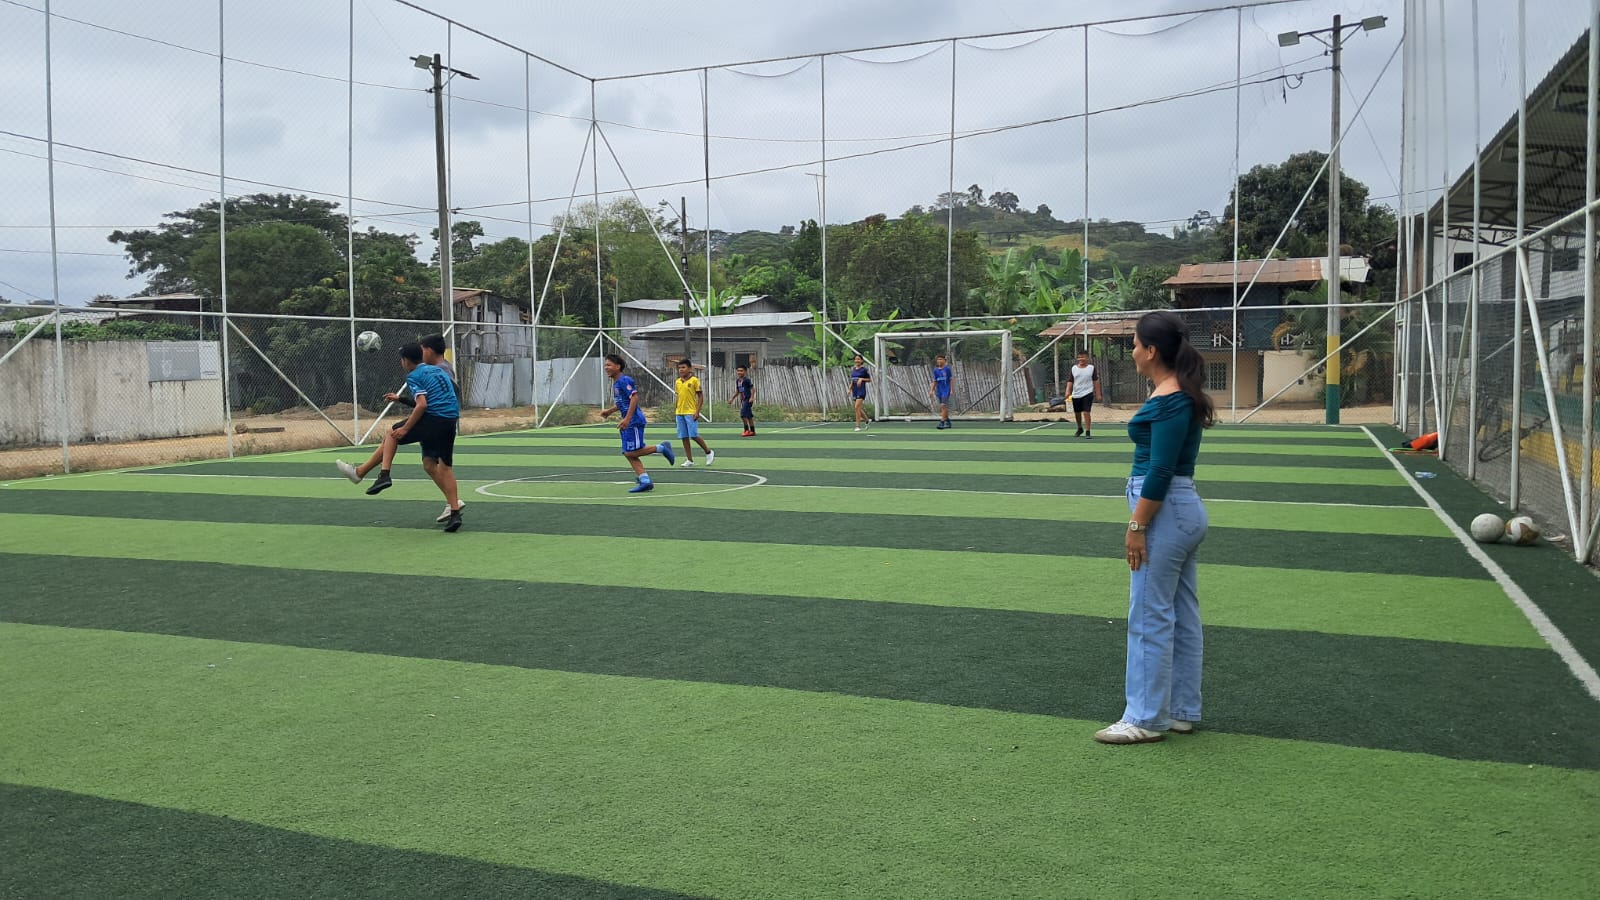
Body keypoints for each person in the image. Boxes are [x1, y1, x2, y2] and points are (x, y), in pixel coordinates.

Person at [1094, 311, 1214, 744]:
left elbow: (1161, 469)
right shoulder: (1177, 393)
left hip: (1164, 511)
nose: (1131, 351)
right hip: (1180, 510)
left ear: (1151, 351)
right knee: (1179, 614)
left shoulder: (1170, 399)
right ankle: (1179, 710)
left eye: (1134, 344)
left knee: (1148, 614)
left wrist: (1137, 525)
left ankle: (1145, 717)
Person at [335, 342, 464, 532]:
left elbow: (422, 405)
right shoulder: (437, 370)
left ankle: (384, 475)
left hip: (434, 418)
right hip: (450, 420)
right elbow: (437, 397)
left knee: (392, 433)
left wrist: (406, 428)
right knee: (438, 466)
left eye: (401, 359)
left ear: (405, 361)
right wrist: (401, 399)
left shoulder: (413, 375)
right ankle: (454, 513)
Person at [600, 353, 674, 493]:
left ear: (618, 366)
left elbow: (634, 398)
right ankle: (645, 481)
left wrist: (627, 419)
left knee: (631, 452)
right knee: (628, 453)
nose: (606, 367)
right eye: (605, 365)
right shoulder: (616, 383)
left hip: (633, 421)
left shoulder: (624, 380)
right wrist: (609, 411)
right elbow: (623, 403)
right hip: (629, 421)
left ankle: (661, 448)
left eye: (609, 365)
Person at [674, 358, 715, 467]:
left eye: (683, 367)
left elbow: (700, 396)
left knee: (693, 435)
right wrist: (676, 408)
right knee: (684, 436)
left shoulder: (694, 380)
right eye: (679, 368)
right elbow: (678, 396)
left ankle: (708, 452)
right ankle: (689, 460)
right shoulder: (678, 382)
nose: (681, 370)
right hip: (679, 412)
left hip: (690, 412)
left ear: (689, 369)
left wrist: (697, 411)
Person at [1069, 349, 1103, 439]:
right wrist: (1067, 391)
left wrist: (1098, 394)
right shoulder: (1074, 368)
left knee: (1086, 412)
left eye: (1083, 357)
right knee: (1077, 413)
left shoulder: (1091, 368)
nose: (1081, 359)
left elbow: (1096, 381)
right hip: (1076, 394)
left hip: (1088, 393)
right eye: (1079, 357)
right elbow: (1070, 381)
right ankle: (1080, 428)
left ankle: (1088, 431)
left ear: (1087, 358)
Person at [730, 365, 756, 436]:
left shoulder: (746, 380)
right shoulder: (738, 381)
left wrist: (752, 397)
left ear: (745, 372)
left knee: (743, 414)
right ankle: (752, 431)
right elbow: (738, 391)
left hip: (748, 399)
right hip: (743, 400)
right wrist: (732, 399)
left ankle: (746, 430)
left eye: (741, 371)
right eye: (738, 371)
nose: (739, 372)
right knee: (749, 415)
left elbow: (752, 388)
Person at [929, 354, 953, 429]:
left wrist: (951, 390)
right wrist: (931, 390)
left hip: (946, 390)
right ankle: (947, 421)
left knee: (943, 406)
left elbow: (951, 380)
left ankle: (942, 422)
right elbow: (935, 381)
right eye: (938, 359)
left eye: (941, 359)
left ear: (944, 360)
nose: (939, 361)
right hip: (939, 391)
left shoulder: (947, 369)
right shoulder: (935, 370)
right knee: (943, 407)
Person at [850, 354, 871, 432]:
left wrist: (862, 379)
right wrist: (849, 389)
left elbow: (869, 380)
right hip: (854, 390)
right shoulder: (853, 370)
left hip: (861, 390)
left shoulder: (864, 370)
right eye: (856, 359)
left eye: (858, 359)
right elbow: (852, 380)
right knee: (858, 408)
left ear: (861, 360)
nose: (857, 360)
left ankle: (858, 426)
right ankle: (867, 420)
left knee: (856, 407)